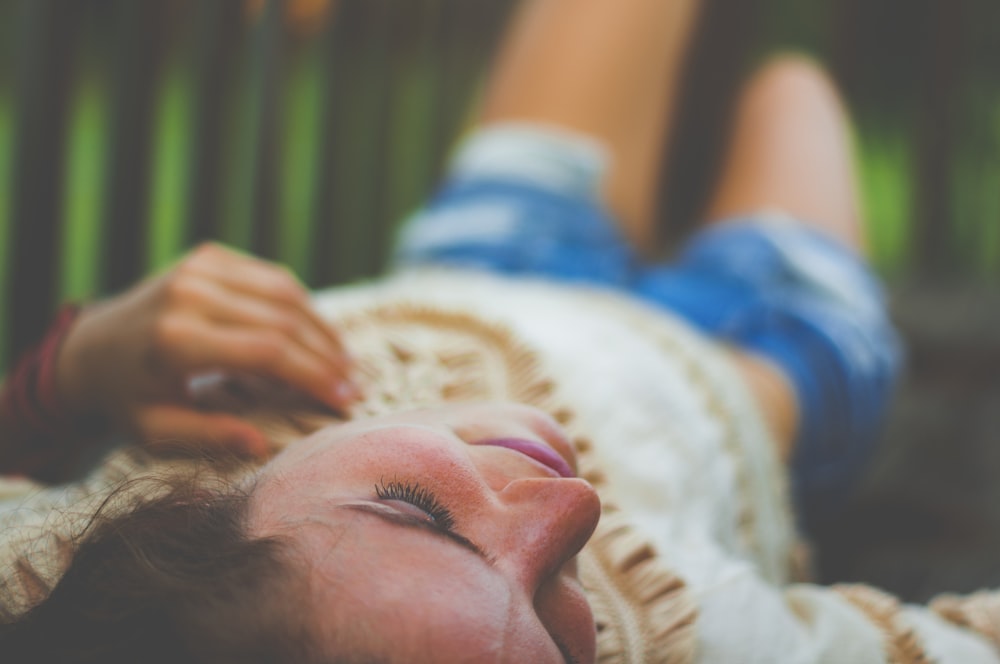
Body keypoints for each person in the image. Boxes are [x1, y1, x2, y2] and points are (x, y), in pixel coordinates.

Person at [0, 0, 997, 662]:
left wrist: (75, 367)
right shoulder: (692, 639)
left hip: (492, 252)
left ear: (179, 528)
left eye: (416, 512)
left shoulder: (45, 564)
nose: (567, 506)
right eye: (566, 645)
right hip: (771, 353)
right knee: (792, 88)